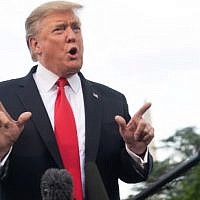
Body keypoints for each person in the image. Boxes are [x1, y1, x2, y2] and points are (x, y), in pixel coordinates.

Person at [0, 1, 154, 200]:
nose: (71, 36)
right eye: (59, 29)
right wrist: (2, 150)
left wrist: (136, 150)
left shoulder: (112, 101)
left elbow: (131, 175)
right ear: (35, 44)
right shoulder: (5, 99)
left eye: (76, 28)